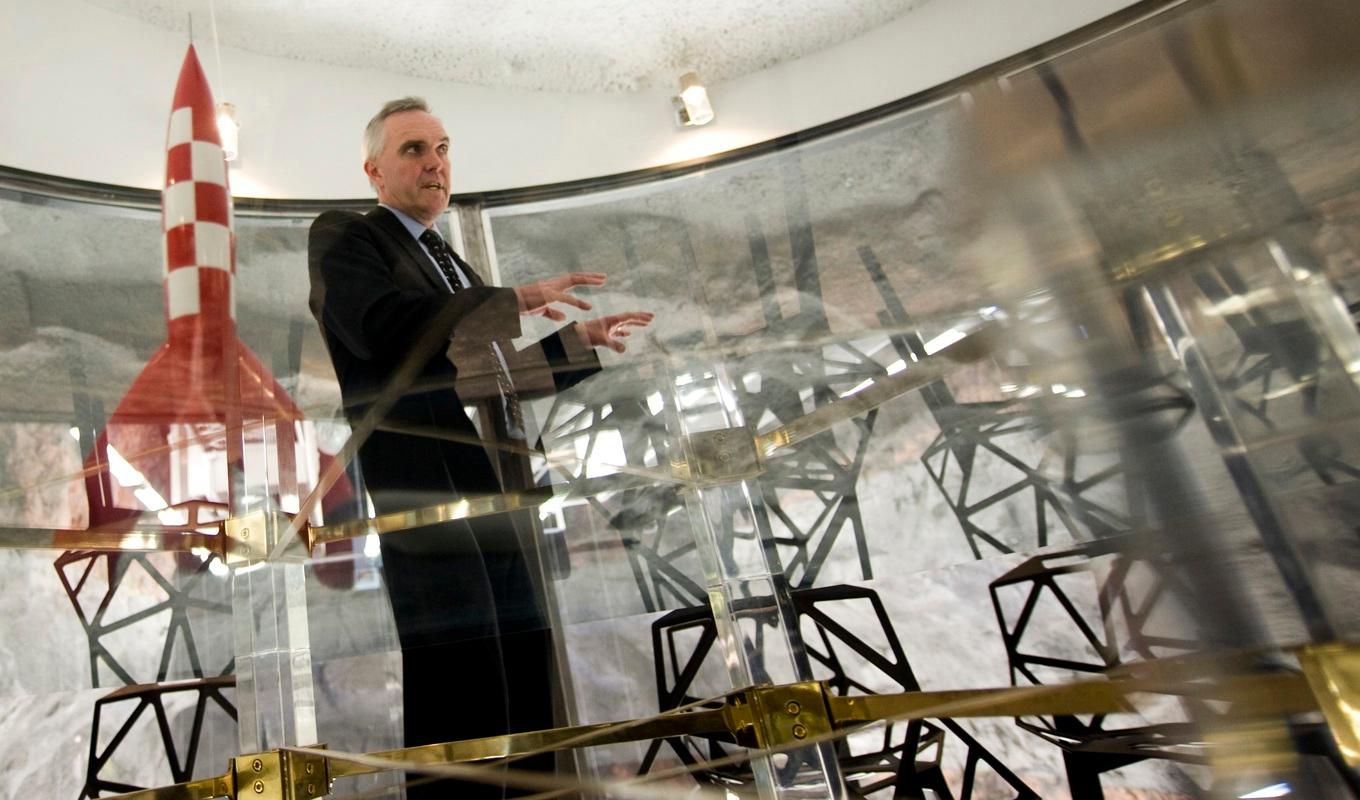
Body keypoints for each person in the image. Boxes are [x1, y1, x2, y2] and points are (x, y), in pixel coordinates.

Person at [308, 96, 652, 798]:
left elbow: (486, 379)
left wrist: (571, 346)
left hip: (494, 484)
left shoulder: (449, 265)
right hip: (423, 485)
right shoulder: (348, 235)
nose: (435, 163)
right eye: (413, 150)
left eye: (442, 149)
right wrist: (510, 299)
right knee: (461, 682)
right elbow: (379, 327)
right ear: (373, 171)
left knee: (522, 670)